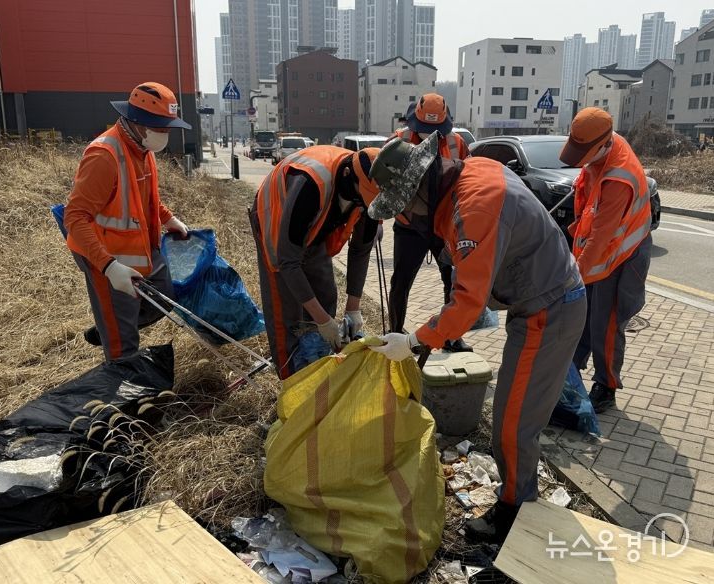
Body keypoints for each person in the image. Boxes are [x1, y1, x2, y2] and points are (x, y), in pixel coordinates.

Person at [367, 133, 587, 544]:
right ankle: (518, 497)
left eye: (407, 206)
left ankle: (514, 513)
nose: (407, 217)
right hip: (540, 300)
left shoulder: (474, 208)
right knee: (514, 417)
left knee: (513, 424)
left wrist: (412, 341)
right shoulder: (470, 174)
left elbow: (467, 304)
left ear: (422, 186)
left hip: (550, 308)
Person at [64, 82, 191, 361]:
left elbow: (144, 198)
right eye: (160, 128)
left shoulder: (142, 149)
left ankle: (111, 327)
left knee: (163, 298)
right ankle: (117, 348)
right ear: (138, 122)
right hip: (104, 255)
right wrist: (109, 266)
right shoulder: (104, 155)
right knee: (123, 344)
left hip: (139, 248)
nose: (165, 134)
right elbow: (75, 216)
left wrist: (168, 218)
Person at [250, 146, 381, 379]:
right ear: (348, 177)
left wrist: (353, 308)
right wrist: (322, 320)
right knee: (287, 311)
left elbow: (361, 251)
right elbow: (288, 262)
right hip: (276, 217)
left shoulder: (372, 193)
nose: (366, 203)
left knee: (325, 293)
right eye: (365, 197)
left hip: (315, 226)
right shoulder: (311, 185)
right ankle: (292, 381)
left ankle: (320, 367)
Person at [560, 108, 653, 414]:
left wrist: (575, 275)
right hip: (601, 251)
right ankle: (569, 372)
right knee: (582, 316)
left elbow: (601, 238)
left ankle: (606, 386)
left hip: (622, 256)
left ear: (603, 145)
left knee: (607, 324)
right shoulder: (603, 145)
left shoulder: (619, 179)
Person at [387, 93, 472, 352]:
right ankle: (395, 332)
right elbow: (381, 184)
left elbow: (468, 182)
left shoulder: (457, 143)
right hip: (409, 226)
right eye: (424, 127)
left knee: (453, 281)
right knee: (401, 282)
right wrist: (376, 222)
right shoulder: (398, 141)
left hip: (443, 227)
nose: (429, 134)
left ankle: (451, 336)